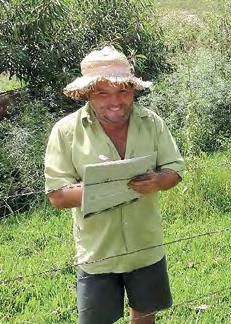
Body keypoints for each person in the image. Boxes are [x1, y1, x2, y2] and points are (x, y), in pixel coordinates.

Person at [44, 46, 184, 324]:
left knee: (145, 315)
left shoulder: (151, 122)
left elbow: (175, 170)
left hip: (146, 245)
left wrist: (157, 181)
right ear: (86, 94)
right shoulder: (66, 131)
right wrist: (104, 185)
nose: (115, 102)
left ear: (133, 91)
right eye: (102, 93)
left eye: (123, 91)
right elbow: (57, 196)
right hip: (98, 253)